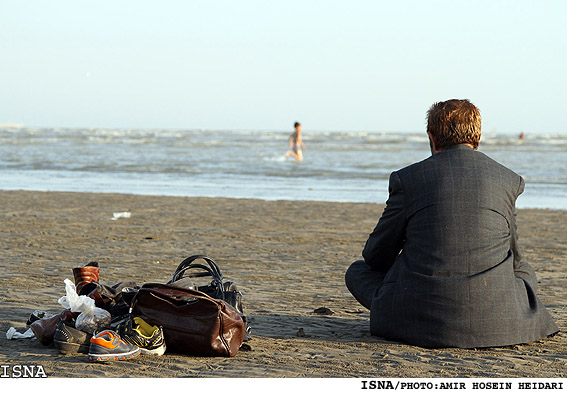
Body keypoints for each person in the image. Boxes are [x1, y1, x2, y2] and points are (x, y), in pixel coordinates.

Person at [345, 99, 558, 348]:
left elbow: (376, 256)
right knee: (525, 271)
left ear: (431, 137)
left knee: (357, 271)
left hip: (418, 314)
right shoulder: (508, 179)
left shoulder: (408, 179)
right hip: (495, 317)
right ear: (477, 136)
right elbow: (515, 259)